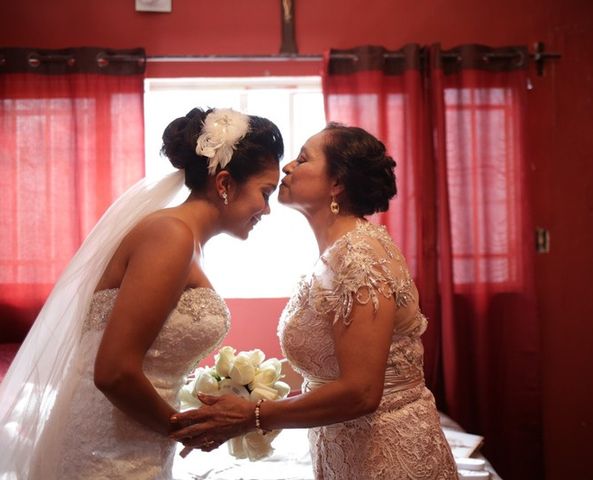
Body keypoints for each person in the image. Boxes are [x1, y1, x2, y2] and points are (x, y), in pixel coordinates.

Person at [0, 107, 284, 479]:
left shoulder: (185, 240)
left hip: (135, 441)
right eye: (265, 192)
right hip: (108, 452)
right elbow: (114, 371)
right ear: (225, 184)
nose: (266, 209)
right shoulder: (170, 235)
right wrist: (188, 429)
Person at [171, 123, 457, 479]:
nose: (288, 167)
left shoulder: (360, 256)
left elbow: (362, 392)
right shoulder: (335, 255)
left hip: (388, 453)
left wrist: (253, 415)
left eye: (303, 159)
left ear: (336, 183)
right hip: (345, 448)